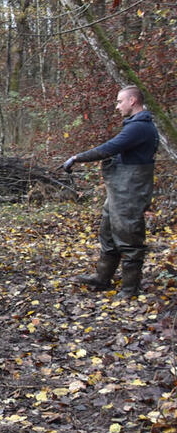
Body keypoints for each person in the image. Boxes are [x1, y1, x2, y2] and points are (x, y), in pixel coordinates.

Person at [63, 85, 159, 298]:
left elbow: (110, 147)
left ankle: (129, 289)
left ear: (132, 101)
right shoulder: (135, 125)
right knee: (107, 235)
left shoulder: (140, 127)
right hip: (118, 194)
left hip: (130, 195)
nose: (117, 107)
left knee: (130, 242)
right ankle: (102, 278)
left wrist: (77, 158)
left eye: (119, 101)